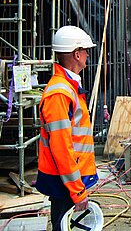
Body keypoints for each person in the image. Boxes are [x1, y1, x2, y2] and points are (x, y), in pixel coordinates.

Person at [35, 26, 98, 231]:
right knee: (63, 225)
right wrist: (77, 190)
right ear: (77, 54)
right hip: (65, 183)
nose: (88, 54)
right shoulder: (60, 93)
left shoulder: (68, 87)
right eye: (86, 50)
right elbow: (61, 147)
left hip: (68, 180)